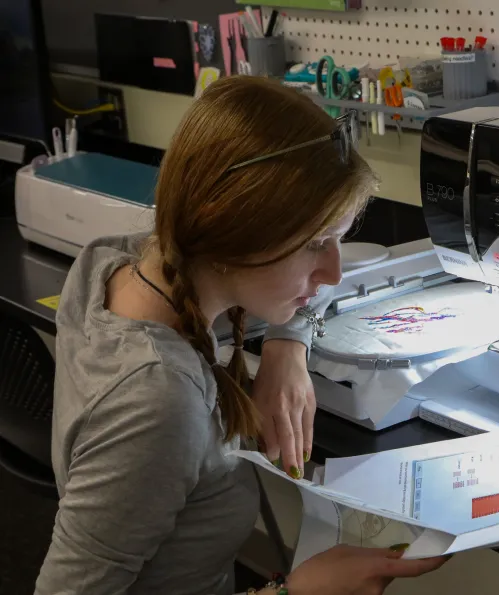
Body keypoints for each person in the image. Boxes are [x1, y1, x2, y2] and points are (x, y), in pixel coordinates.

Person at [34, 76, 447, 595]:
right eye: (318, 243)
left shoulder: (114, 259)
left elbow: (304, 285)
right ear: (235, 234)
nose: (334, 273)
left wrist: (286, 343)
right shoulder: (159, 401)